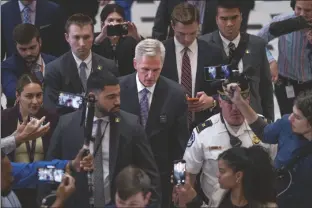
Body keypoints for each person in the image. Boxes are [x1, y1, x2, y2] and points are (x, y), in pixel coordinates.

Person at [41, 70, 161, 208]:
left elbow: (151, 174)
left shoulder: (131, 126)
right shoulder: (66, 125)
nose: (118, 101)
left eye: (118, 95)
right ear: (92, 97)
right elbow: (49, 169)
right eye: (111, 97)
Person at [182, 76, 275, 207]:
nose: (235, 108)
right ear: (220, 101)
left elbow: (276, 172)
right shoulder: (203, 133)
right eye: (229, 103)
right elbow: (188, 176)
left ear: (248, 100)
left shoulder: (266, 129)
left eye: (238, 102)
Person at [119, 38, 189, 207]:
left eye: (156, 70)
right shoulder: (117, 89)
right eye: (145, 69)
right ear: (135, 64)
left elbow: (181, 146)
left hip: (160, 179)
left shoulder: (176, 94)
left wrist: (179, 182)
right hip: (124, 176)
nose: (150, 76)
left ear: (162, 66)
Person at [224, 84, 312, 208]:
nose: (290, 118)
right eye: (292, 112)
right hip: (278, 200)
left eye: (297, 117)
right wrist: (239, 101)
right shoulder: (286, 124)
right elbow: (263, 131)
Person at [200, 0, 274, 122]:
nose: (229, 23)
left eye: (234, 18)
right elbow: (202, 84)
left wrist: (269, 121)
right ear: (216, 19)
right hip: (215, 119)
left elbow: (266, 89)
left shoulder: (257, 45)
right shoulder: (203, 44)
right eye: (224, 19)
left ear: (241, 17)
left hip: (252, 119)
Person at [161, 2, 224, 130]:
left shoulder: (214, 53)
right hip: (167, 129)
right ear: (172, 26)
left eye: (192, 33)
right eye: (181, 34)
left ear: (198, 25)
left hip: (205, 128)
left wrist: (213, 101)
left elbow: (225, 88)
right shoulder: (160, 53)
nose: (187, 39)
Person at [1, 74, 59, 208]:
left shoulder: (52, 118)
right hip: (12, 187)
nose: (35, 101)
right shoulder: (3, 119)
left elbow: (56, 154)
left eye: (39, 95)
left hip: (43, 186)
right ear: (17, 95)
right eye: (29, 96)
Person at [43, 14, 119, 114]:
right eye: (76, 37)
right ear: (67, 37)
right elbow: (51, 103)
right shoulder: (54, 69)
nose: (82, 43)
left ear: (93, 36)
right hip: (68, 125)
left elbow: (116, 100)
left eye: (86, 37)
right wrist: (85, 102)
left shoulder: (109, 66)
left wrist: (68, 99)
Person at [257, 0, 312, 115]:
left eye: (308, 10)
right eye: (298, 9)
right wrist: (271, 61)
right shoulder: (282, 21)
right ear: (293, 6)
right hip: (285, 83)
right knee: (288, 121)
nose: (302, 14)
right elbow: (257, 41)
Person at [175, 146, 276, 208]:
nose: (217, 175)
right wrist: (193, 198)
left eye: (222, 171)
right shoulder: (219, 192)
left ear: (238, 176)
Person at [1, 148, 93, 208]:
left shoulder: (5, 171)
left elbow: (34, 172)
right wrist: (60, 200)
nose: (13, 179)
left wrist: (70, 166)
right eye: (9, 175)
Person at [1, 23, 56, 107]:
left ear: (40, 42)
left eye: (32, 47)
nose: (28, 53)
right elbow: (13, 92)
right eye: (23, 49)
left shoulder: (55, 62)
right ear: (16, 46)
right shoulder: (7, 67)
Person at [152, 0, 254, 41]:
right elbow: (159, 29)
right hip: (176, 51)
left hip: (211, 54)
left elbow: (237, 28)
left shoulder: (222, 2)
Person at [1, 0, 66, 60]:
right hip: (14, 69)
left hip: (47, 67)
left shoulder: (53, 10)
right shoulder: (3, 11)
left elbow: (61, 46)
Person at [93, 4, 140, 76]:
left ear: (124, 22)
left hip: (126, 81)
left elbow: (147, 53)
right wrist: (101, 38)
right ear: (103, 24)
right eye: (110, 20)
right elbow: (87, 55)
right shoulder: (96, 38)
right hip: (101, 80)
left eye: (119, 20)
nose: (115, 23)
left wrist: (136, 37)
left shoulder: (131, 39)